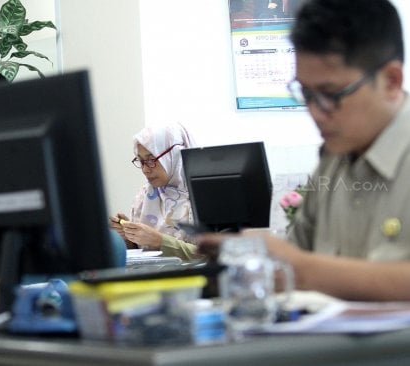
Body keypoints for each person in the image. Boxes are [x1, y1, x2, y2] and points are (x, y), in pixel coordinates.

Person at [199, 0, 410, 301]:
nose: (315, 112)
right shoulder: (333, 161)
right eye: (306, 94)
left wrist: (302, 269)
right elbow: (290, 265)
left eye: (330, 94)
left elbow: (298, 266)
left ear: (391, 80)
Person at [109, 122, 203, 261]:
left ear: (174, 155)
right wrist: (128, 236)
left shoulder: (204, 194)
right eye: (140, 161)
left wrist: (160, 241)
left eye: (152, 160)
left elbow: (213, 255)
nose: (145, 169)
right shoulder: (146, 195)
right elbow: (142, 255)